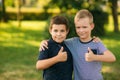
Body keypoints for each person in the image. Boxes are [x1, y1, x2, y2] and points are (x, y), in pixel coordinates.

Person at [39, 9, 116, 80]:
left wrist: (94, 57)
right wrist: (44, 41)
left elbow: (112, 58)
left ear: (91, 26)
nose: (81, 30)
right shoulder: (73, 42)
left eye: (84, 27)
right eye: (78, 27)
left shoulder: (96, 42)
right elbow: (58, 39)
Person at [36, 16, 73, 80]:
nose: (59, 34)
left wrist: (95, 40)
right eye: (55, 31)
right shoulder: (46, 45)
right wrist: (57, 58)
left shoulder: (70, 45)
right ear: (50, 31)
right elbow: (39, 65)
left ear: (67, 31)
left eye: (62, 31)